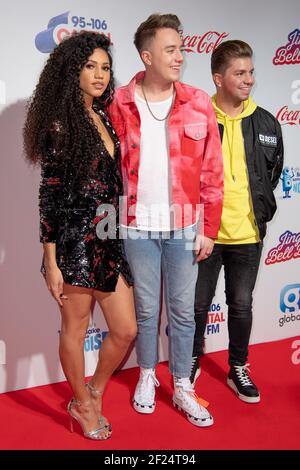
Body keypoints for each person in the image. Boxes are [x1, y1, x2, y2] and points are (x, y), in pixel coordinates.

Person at [109, 14, 223, 427]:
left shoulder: (198, 101)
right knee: (144, 310)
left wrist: (209, 228)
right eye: (171, 49)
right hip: (136, 224)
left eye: (181, 48)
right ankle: (145, 375)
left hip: (184, 226)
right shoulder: (118, 102)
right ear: (147, 55)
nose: (180, 56)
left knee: (182, 312)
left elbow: (212, 170)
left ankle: (182, 385)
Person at [23, 31, 137, 440]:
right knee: (73, 329)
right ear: (72, 71)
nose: (101, 74)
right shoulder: (59, 124)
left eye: (105, 67)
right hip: (74, 244)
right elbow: (49, 196)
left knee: (125, 330)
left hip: (108, 236)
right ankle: (82, 403)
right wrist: (50, 262)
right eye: (90, 66)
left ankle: (93, 391)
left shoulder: (104, 115)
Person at [190, 40, 284, 403]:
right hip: (204, 235)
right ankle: (191, 361)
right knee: (197, 306)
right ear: (218, 78)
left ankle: (238, 366)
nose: (249, 80)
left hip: (248, 235)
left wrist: (258, 213)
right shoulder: (199, 118)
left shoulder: (266, 122)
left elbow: (272, 172)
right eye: (239, 73)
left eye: (251, 72)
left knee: (241, 305)